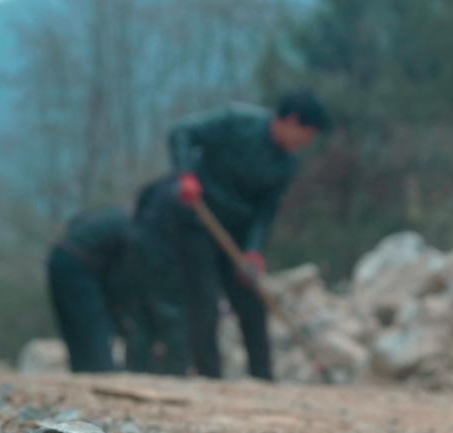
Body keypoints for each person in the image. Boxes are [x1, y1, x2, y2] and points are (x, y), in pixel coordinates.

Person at [133, 90, 330, 379]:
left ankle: (262, 377)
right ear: (291, 120)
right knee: (204, 299)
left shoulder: (287, 163)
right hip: (198, 217)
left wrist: (254, 249)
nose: (305, 143)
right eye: (307, 134)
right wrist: (185, 174)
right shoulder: (236, 121)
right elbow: (182, 132)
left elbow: (266, 210)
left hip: (238, 231)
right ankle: (210, 375)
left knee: (251, 299)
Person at [47, 206, 150, 373]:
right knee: (93, 324)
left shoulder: (115, 217)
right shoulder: (131, 230)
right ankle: (101, 370)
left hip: (58, 258)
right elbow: (117, 280)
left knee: (76, 326)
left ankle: (83, 369)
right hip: (78, 265)